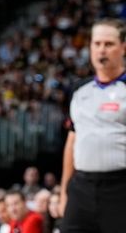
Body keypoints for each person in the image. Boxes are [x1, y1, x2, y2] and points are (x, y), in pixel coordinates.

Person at [60, 19, 126, 233]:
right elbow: (72, 142)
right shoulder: (79, 90)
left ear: (123, 47)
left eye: (109, 44)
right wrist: (64, 192)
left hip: (120, 187)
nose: (101, 50)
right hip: (81, 188)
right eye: (96, 44)